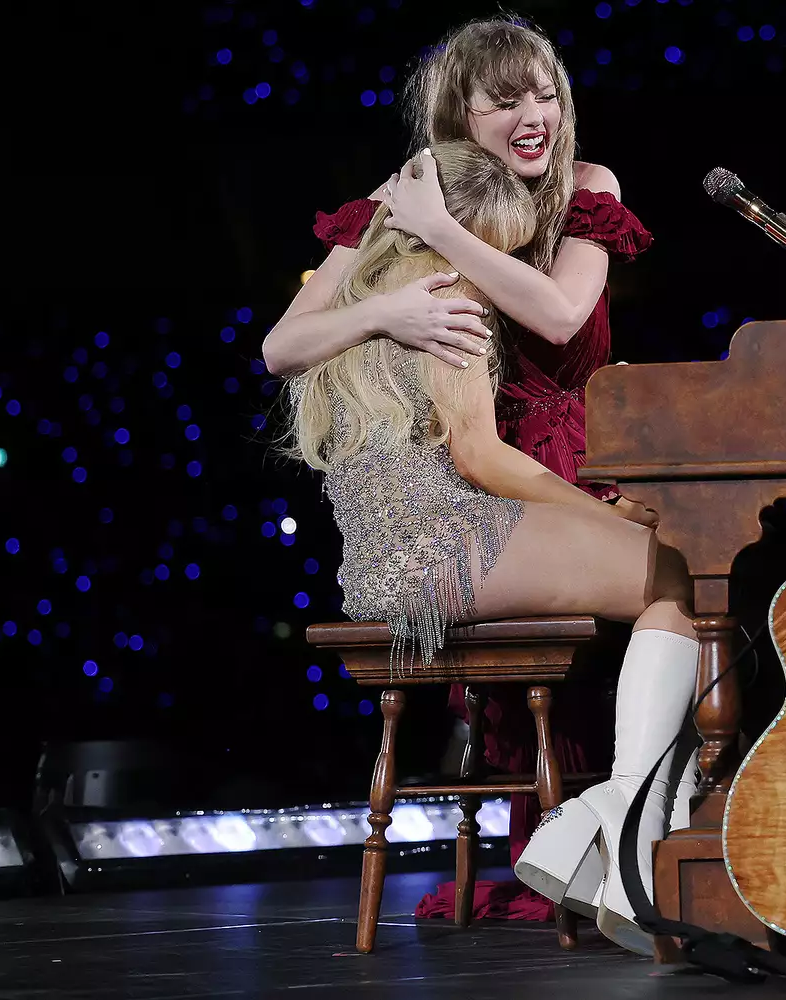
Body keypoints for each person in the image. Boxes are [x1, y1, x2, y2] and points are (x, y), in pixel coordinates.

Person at [262, 15, 696, 934]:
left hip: (432, 521)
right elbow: (287, 347)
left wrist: (422, 250)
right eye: (505, 100)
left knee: (664, 579)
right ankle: (615, 831)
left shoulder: (557, 197)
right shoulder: (429, 280)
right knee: (674, 576)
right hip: (465, 509)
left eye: (545, 93)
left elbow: (557, 313)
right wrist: (392, 309)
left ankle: (616, 829)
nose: (533, 114)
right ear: (460, 117)